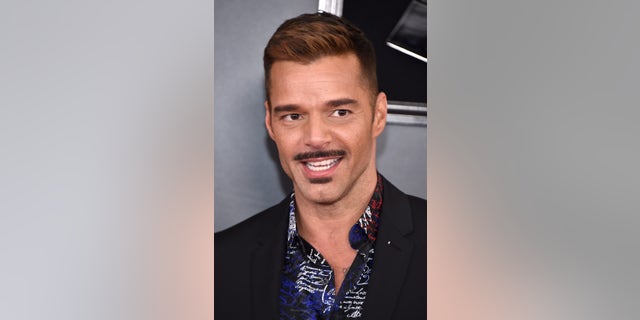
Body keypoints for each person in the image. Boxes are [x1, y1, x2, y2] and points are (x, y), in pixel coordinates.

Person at [215, 12, 426, 320]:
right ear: (270, 123)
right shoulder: (218, 264)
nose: (315, 138)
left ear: (378, 115)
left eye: (339, 112)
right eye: (293, 116)